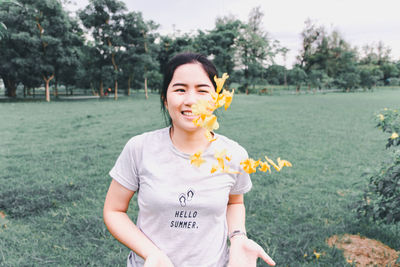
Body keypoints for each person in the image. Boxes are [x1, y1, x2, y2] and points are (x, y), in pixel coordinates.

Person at [103, 52, 276, 267]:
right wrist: (151, 254)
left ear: (217, 99)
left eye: (202, 90)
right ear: (165, 99)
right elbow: (114, 210)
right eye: (180, 89)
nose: (191, 100)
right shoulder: (139, 148)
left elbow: (235, 202)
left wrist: (239, 236)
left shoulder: (234, 154)